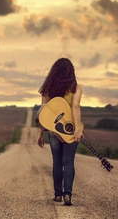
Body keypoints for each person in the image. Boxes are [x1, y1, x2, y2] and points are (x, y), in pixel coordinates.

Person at [37, 58, 83, 206]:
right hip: (70, 129)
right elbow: (75, 108)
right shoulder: (75, 88)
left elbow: (44, 114)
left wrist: (40, 134)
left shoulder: (47, 89)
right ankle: (67, 194)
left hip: (53, 131)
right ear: (71, 72)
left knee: (57, 162)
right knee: (69, 161)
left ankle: (58, 194)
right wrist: (77, 129)